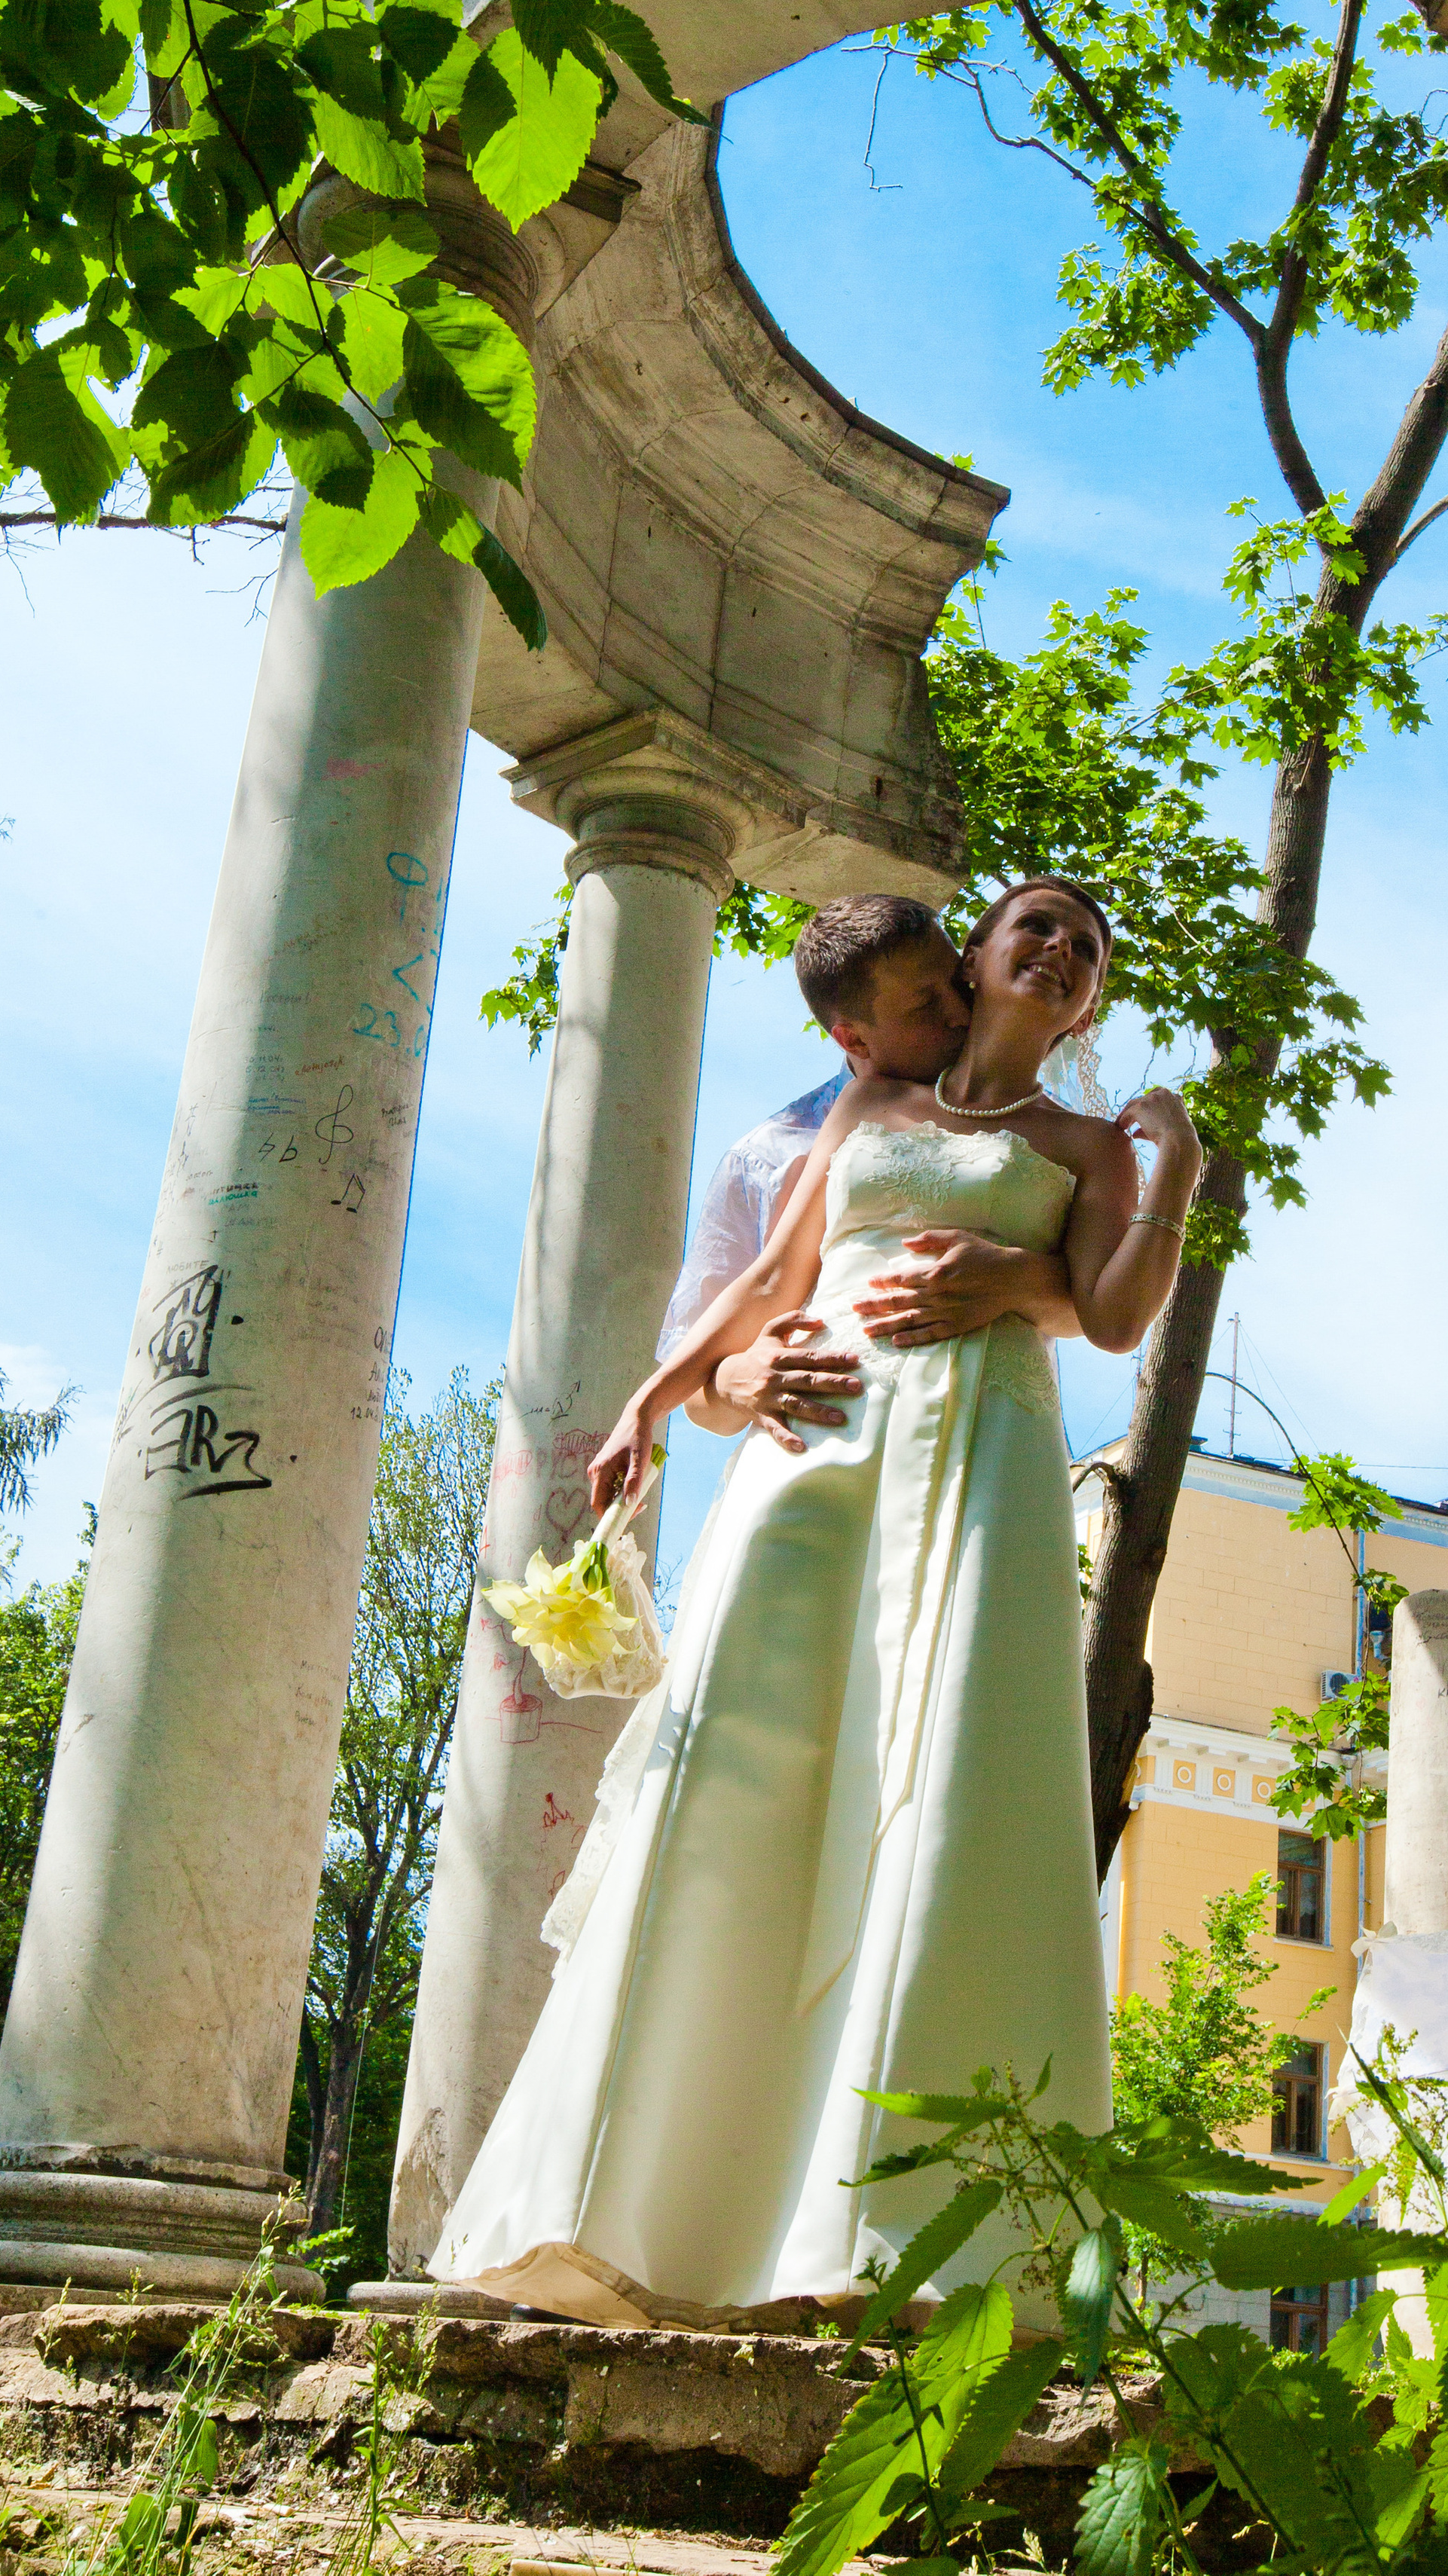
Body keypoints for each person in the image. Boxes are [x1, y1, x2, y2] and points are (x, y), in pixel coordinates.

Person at [429, 880, 1201, 2328]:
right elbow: (777, 1277)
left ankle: (896, 2240)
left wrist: (1169, 1168)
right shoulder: (865, 1116)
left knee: (947, 1791)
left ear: (1088, 999)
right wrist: (653, 1406)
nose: (1061, 950)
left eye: (1089, 948)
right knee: (737, 1782)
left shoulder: (1090, 1144)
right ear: (971, 964)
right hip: (814, 1473)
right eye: (1033, 927)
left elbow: (1109, 1315)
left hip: (977, 1464)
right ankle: (626, 2219)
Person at [666, 894, 1081, 1456]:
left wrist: (1019, 1278)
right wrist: (732, 1382)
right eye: (924, 1007)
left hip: (985, 1447)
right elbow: (702, 1401)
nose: (959, 1013)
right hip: (819, 1454)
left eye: (957, 985)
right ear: (853, 1039)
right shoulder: (767, 1158)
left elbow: (1100, 1312)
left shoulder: (1040, 1139)